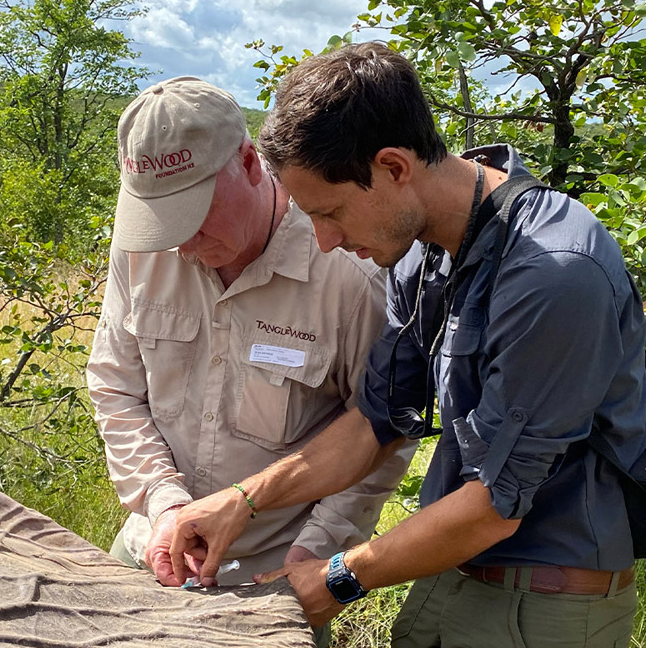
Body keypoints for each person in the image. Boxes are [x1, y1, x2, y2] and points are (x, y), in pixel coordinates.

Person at [168, 44, 646, 648]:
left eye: (329, 214)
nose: (321, 243)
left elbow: (499, 504)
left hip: (546, 600)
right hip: (445, 571)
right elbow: (374, 423)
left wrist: (340, 577)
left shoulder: (554, 272)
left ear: (392, 167)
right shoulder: (423, 250)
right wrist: (238, 503)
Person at [87, 76, 411, 590]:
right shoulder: (142, 250)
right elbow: (115, 387)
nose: (182, 244)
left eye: (193, 214)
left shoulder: (350, 272)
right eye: (161, 221)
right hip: (151, 546)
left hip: (275, 573)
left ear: (248, 161)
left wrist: (314, 552)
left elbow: (378, 433)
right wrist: (162, 501)